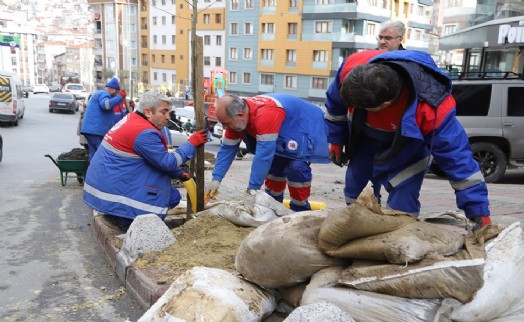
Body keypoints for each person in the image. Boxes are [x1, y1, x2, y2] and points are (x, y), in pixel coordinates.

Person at [332, 49, 492, 231]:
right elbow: (334, 106)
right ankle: (357, 233)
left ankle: (400, 239)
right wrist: (336, 140)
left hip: (410, 146)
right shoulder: (353, 68)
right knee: (355, 190)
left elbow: (457, 160)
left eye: (360, 107)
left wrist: (478, 210)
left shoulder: (433, 108)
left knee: (402, 202)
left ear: (383, 106)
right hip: (366, 140)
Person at [83, 91, 208, 227]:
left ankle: (123, 217)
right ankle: (132, 224)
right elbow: (167, 162)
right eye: (163, 112)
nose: (168, 117)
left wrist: (177, 173)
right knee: (170, 196)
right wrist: (191, 144)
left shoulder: (132, 119)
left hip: (104, 188)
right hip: (112, 193)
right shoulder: (144, 132)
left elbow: (151, 159)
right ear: (148, 112)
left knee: (169, 193)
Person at [205, 94, 330, 211]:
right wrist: (216, 179)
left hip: (305, 124)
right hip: (283, 126)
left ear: (240, 115)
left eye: (226, 124)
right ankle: (273, 205)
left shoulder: (265, 114)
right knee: (275, 167)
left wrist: (252, 190)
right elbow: (226, 150)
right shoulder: (235, 120)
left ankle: (299, 210)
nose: (225, 128)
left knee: (296, 168)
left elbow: (263, 155)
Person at [80, 78, 123, 161]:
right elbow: (106, 105)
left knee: (94, 153)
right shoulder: (104, 94)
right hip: (95, 131)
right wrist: (120, 97)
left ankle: (92, 172)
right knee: (102, 154)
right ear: (113, 90)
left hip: (91, 130)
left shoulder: (99, 93)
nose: (116, 95)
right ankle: (99, 172)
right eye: (117, 93)